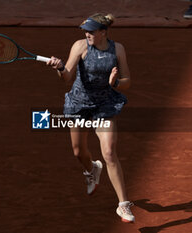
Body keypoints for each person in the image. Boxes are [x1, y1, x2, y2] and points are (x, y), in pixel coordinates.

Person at [47, 13, 135, 223]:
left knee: (110, 152)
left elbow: (127, 81)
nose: (87, 34)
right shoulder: (80, 47)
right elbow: (67, 77)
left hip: (104, 104)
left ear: (103, 33)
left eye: (91, 31)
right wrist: (60, 68)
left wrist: (114, 83)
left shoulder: (118, 49)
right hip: (79, 103)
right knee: (78, 152)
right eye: (85, 31)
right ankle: (91, 168)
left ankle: (123, 205)